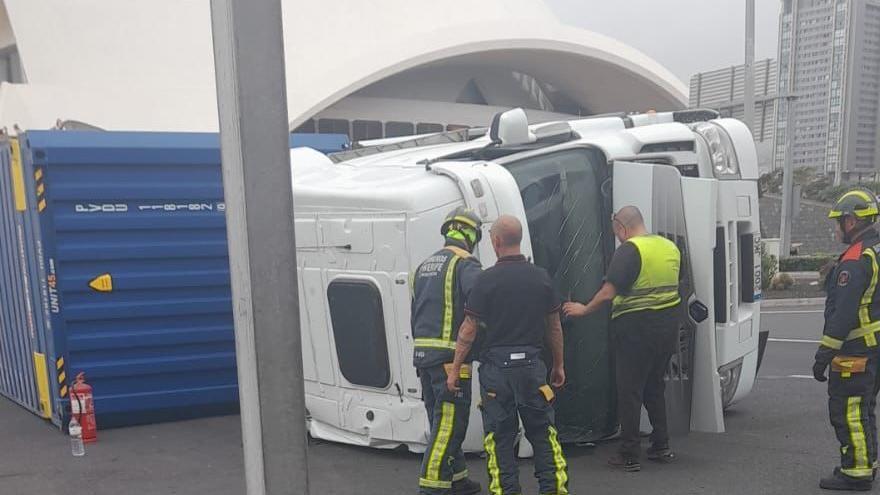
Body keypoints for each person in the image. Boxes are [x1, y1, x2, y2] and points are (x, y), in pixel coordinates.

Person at [447, 215, 569, 495]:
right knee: (543, 435)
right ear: (519, 239)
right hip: (532, 369)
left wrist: (455, 369)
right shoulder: (541, 277)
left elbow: (468, 329)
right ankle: (553, 490)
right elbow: (554, 326)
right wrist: (559, 364)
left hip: (496, 373)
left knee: (499, 440)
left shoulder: (486, 280)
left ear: (496, 241)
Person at [563, 205, 681, 473]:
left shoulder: (630, 250)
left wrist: (583, 309)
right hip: (666, 330)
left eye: (616, 231)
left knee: (629, 390)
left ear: (621, 227)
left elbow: (608, 292)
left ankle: (629, 452)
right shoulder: (669, 247)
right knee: (654, 387)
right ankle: (661, 445)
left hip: (636, 331)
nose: (617, 236)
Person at [411, 206, 484, 495]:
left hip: (425, 357)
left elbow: (414, 313)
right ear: (471, 235)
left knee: (439, 420)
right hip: (450, 359)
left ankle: (458, 479)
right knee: (450, 427)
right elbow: (480, 304)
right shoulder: (466, 264)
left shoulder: (424, 267)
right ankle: (432, 488)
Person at [812, 188, 880, 491]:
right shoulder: (874, 251)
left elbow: (842, 315)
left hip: (856, 349)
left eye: (838, 221)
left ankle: (856, 472)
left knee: (849, 409)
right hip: (873, 347)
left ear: (851, 221)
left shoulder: (855, 258)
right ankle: (866, 462)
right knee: (863, 409)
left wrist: (823, 355)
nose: (836, 227)